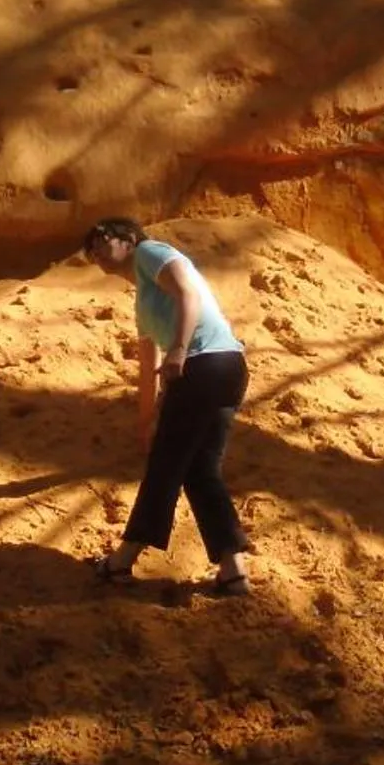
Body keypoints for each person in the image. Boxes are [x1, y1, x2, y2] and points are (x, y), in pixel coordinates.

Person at [82, 216, 251, 596]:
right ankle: (233, 570)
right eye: (89, 251)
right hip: (221, 369)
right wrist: (146, 419)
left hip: (204, 364)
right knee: (200, 470)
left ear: (128, 238)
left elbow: (188, 293)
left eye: (100, 239)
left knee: (165, 468)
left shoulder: (150, 251)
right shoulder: (143, 298)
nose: (94, 251)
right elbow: (148, 365)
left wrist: (178, 349)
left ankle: (122, 561)